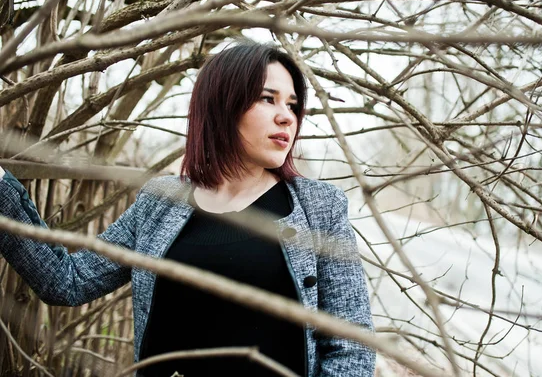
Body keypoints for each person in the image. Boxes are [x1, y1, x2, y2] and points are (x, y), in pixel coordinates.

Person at [0, 42, 375, 377]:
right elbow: (68, 282)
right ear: (222, 104)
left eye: (292, 105)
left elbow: (351, 349)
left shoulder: (317, 208)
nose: (287, 117)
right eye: (268, 98)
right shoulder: (161, 202)